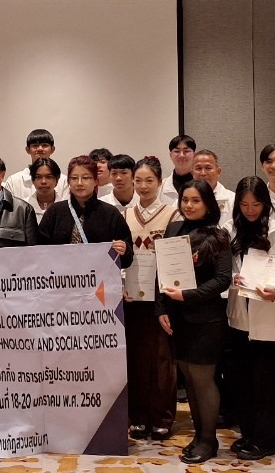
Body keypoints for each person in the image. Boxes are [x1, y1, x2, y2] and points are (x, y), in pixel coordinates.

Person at [155, 181, 232, 464]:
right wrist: (160, 308)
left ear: (208, 204)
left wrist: (187, 295)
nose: (188, 205)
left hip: (207, 319)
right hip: (178, 318)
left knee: (203, 380)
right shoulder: (174, 230)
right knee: (188, 377)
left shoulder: (218, 235)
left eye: (195, 200)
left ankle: (209, 441)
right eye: (185, 200)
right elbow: (161, 271)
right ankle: (199, 436)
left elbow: (222, 279)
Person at [224, 177, 275, 461]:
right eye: (244, 205)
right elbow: (225, 268)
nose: (250, 210)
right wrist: (233, 278)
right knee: (242, 379)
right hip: (240, 314)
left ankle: (265, 440)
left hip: (267, 312)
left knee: (264, 381)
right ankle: (248, 434)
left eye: (255, 204)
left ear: (265, 204)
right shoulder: (231, 229)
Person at [123, 157, 178, 441]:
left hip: (161, 298)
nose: (143, 186)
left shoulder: (172, 214)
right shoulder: (125, 215)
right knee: (136, 358)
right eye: (138, 181)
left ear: (159, 182)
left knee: (162, 359)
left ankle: (162, 416)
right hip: (133, 297)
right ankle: (138, 416)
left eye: (149, 181)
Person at [39, 155, 134, 266]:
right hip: (60, 274)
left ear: (96, 181)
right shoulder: (55, 212)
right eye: (74, 178)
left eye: (86, 178)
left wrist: (124, 250)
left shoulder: (110, 213)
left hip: (99, 275)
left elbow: (127, 259)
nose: (79, 183)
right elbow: (39, 250)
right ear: (68, 182)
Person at [5, 129, 64, 200]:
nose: (40, 149)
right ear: (27, 149)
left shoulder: (64, 181)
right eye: (35, 145)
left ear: (52, 149)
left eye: (45, 145)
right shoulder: (13, 181)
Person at [190, 149, 234, 221]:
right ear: (192, 173)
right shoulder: (182, 201)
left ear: (218, 172)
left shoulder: (233, 200)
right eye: (199, 168)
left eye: (208, 168)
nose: (203, 173)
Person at [160, 134, 197, 202]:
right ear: (170, 155)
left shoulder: (203, 184)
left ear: (194, 155)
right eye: (177, 151)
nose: (181, 155)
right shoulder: (160, 187)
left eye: (186, 151)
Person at [24, 157, 62, 223]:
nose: (43, 181)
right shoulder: (23, 207)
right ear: (33, 180)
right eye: (38, 177)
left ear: (57, 180)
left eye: (49, 177)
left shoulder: (67, 208)